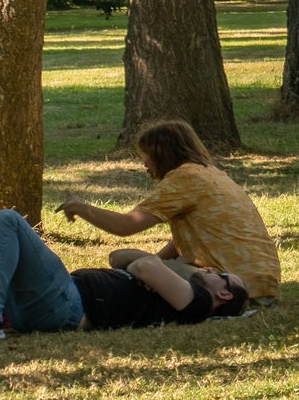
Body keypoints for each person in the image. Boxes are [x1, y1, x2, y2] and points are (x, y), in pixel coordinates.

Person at [0, 206, 246, 339]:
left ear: (223, 295)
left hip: (67, 307)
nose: (213, 271)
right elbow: (117, 256)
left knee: (7, 220)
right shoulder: (180, 289)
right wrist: (153, 270)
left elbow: (139, 263)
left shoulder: (194, 303)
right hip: (46, 302)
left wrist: (157, 267)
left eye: (222, 275)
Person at [58, 119, 279, 302]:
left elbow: (125, 226)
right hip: (263, 284)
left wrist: (79, 207)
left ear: (162, 153)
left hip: (228, 283)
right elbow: (186, 240)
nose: (144, 163)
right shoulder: (213, 174)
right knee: (143, 267)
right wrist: (155, 264)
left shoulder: (184, 178)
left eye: (146, 155)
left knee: (120, 258)